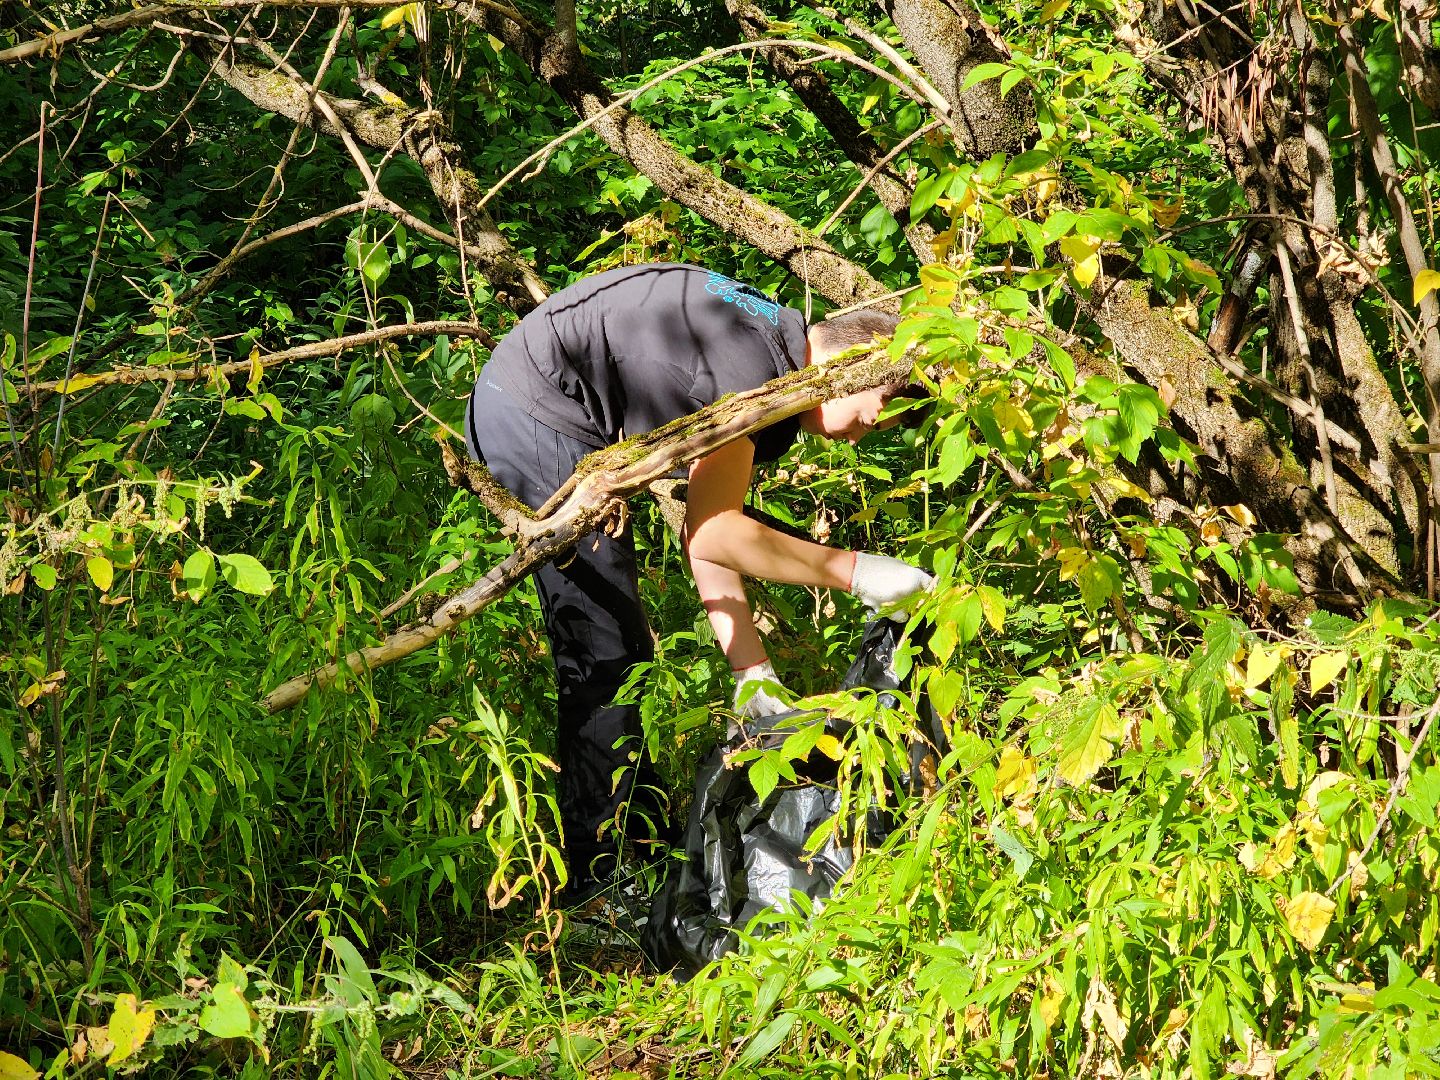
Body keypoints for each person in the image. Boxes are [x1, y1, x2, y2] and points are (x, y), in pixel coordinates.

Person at [464, 262, 932, 900]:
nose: (867, 430)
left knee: (624, 646)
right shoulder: (751, 371)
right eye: (881, 410)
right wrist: (856, 572)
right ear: (852, 365)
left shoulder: (773, 356)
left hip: (552, 401)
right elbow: (716, 535)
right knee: (602, 644)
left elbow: (706, 528)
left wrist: (752, 672)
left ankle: (641, 847)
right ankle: (601, 884)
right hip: (535, 405)